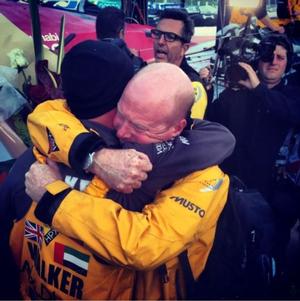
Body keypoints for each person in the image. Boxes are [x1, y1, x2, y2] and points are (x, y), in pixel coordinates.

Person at [1, 40, 234, 299]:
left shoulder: (203, 174)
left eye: (139, 127)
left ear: (176, 128)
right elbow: (46, 114)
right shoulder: (62, 134)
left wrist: (53, 196)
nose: (122, 131)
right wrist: (94, 155)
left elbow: (146, 245)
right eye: (121, 115)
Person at [206, 34, 300, 289]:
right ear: (258, 60)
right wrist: (211, 88)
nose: (273, 62)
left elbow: (288, 112)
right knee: (232, 248)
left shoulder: (292, 94)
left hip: (274, 193)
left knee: (271, 254)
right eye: (269, 56)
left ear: (288, 63)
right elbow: (212, 122)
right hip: (236, 188)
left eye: (281, 57)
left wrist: (257, 88)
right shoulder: (237, 94)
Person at [149, 8, 213, 108]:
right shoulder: (146, 73)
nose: (160, 41)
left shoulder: (192, 87)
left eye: (170, 37)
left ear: (184, 48)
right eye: (157, 34)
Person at [96, 6, 146, 73]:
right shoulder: (129, 61)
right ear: (121, 33)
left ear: (97, 33)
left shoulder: (85, 56)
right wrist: (135, 58)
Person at [217, 0, 285, 33]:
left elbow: (261, 13)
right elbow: (261, 13)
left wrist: (274, 28)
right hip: (232, 29)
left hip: (243, 30)